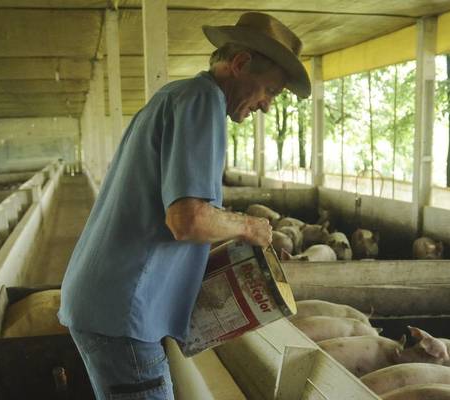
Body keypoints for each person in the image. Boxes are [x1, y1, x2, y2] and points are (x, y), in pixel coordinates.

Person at [57, 12, 311, 400]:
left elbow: (176, 220)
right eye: (270, 92)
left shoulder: (176, 96)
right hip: (123, 312)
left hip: (106, 304)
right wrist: (249, 227)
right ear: (241, 64)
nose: (265, 106)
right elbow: (187, 220)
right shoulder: (203, 101)